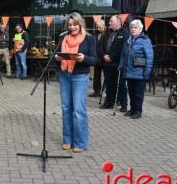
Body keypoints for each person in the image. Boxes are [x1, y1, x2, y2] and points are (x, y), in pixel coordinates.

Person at [55, 12, 96, 153]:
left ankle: (80, 142)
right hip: (64, 75)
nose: (72, 27)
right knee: (66, 108)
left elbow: (94, 60)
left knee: (78, 110)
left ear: (80, 24)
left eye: (74, 25)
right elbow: (54, 55)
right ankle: (67, 140)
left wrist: (83, 58)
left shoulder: (89, 39)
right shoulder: (63, 38)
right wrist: (57, 58)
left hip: (80, 76)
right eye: (70, 25)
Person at [119, 20, 154, 119]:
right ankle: (132, 109)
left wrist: (147, 72)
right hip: (129, 71)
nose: (133, 29)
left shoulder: (145, 40)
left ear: (140, 29)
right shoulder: (128, 40)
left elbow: (149, 57)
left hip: (140, 72)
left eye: (135, 27)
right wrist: (121, 65)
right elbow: (123, 54)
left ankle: (138, 111)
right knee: (131, 92)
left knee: (138, 94)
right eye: (132, 27)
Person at [100, 15, 128, 112]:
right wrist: (104, 55)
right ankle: (109, 102)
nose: (109, 23)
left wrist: (111, 57)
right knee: (109, 84)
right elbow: (101, 45)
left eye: (111, 21)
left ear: (118, 22)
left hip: (118, 63)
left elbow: (122, 49)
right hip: (107, 63)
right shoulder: (107, 33)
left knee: (121, 84)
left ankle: (124, 104)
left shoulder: (124, 33)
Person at [90, 19, 107, 97]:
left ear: (103, 25)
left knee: (107, 76)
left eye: (99, 26)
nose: (98, 28)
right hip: (97, 58)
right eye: (97, 27)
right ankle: (96, 91)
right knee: (96, 75)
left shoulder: (108, 33)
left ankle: (107, 91)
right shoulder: (95, 34)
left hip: (105, 58)